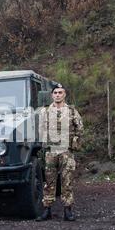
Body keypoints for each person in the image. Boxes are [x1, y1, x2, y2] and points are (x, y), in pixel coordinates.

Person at [36, 83, 84, 222]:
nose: (57, 95)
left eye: (60, 92)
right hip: (51, 152)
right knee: (49, 182)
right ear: (52, 95)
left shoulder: (72, 111)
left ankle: (68, 211)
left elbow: (80, 128)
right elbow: (41, 129)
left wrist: (74, 142)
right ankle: (47, 210)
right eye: (55, 92)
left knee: (66, 181)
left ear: (64, 94)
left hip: (66, 151)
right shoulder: (44, 112)